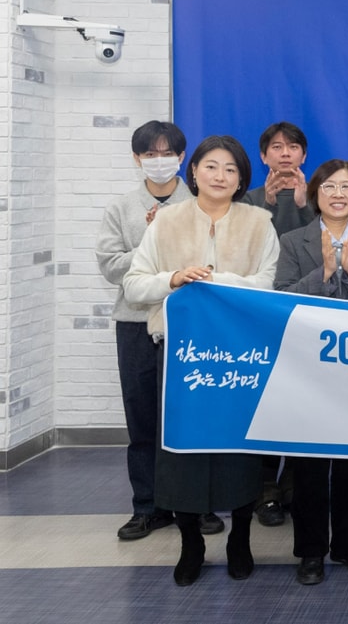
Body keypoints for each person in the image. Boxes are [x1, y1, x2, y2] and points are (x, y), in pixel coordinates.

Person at [122, 135, 280, 586]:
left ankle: (240, 538)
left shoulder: (259, 222)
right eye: (211, 166)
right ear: (193, 171)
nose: (220, 176)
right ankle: (190, 543)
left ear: (242, 179)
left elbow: (268, 283)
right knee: (182, 453)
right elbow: (134, 285)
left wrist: (216, 280)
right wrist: (174, 278)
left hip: (239, 356)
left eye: (231, 169)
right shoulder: (166, 221)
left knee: (239, 450)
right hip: (181, 356)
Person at [96, 121, 224, 540]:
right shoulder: (120, 209)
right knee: (142, 418)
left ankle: (198, 504)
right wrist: (150, 241)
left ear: (182, 158)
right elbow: (110, 267)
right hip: (136, 324)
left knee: (192, 416)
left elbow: (217, 263)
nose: (158, 160)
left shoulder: (205, 205)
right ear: (137, 159)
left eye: (167, 153)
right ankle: (147, 506)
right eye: (149, 154)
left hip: (190, 325)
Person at [275, 160, 348, 585]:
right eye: (329, 186)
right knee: (308, 468)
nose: (338, 194)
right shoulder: (293, 240)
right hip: (307, 367)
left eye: (347, 187)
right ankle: (310, 552)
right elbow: (282, 297)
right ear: (316, 194)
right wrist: (323, 272)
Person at [243, 120, 315, 527]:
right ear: (263, 155)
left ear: (304, 154)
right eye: (276, 146)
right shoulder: (249, 199)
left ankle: (293, 486)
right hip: (262, 314)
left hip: (307, 314)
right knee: (266, 401)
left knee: (303, 402)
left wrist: (304, 204)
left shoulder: (319, 195)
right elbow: (249, 251)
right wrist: (267, 206)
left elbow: (319, 248)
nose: (285, 153)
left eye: (292, 146)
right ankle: (265, 491)